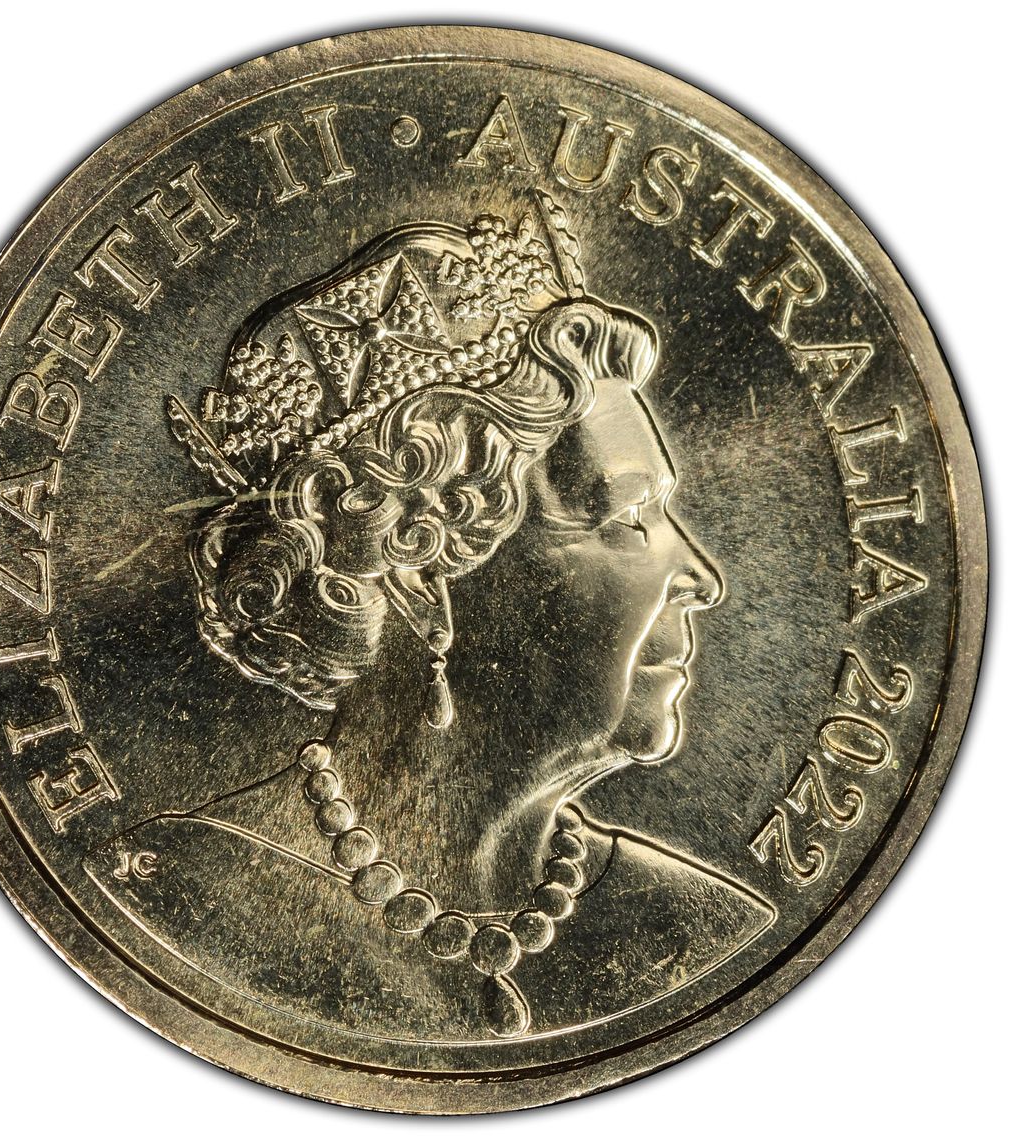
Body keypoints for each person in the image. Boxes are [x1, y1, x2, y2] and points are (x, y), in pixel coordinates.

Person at [86, 194, 773, 1040]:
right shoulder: (179, 894)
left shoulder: (695, 924)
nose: (701, 579)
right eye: (628, 519)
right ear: (420, 579)